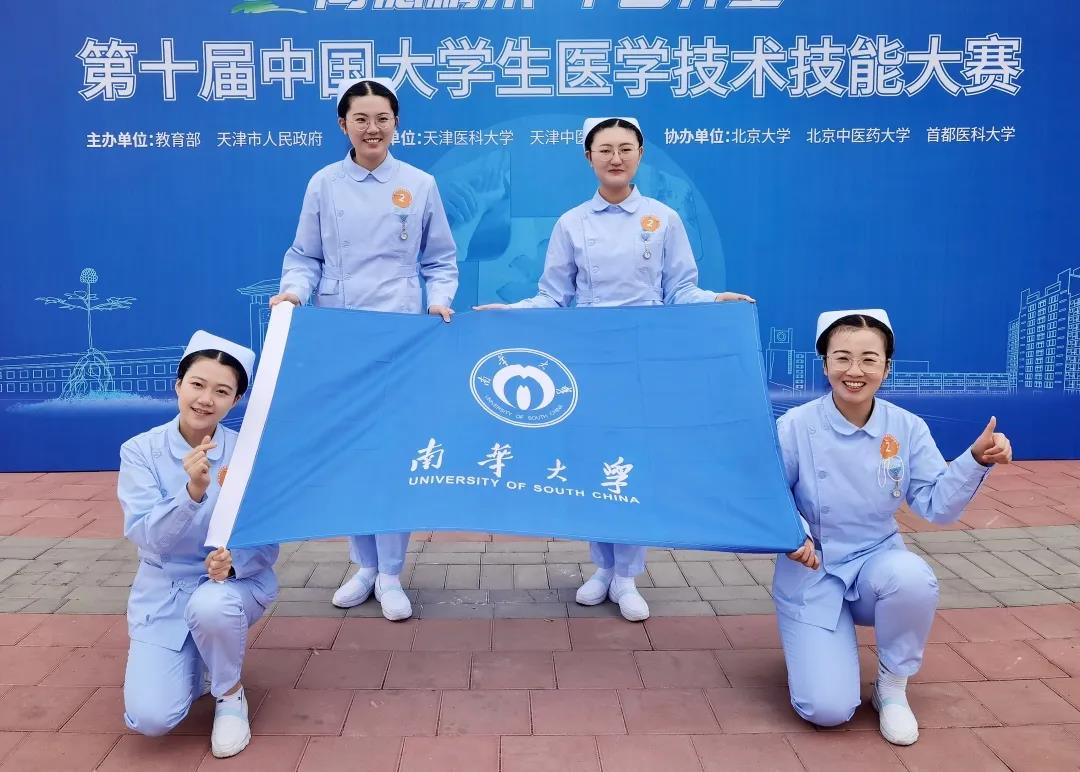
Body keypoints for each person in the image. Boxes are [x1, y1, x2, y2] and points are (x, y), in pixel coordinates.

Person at [475, 116, 753, 622]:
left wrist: (714, 300)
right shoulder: (572, 223)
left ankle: (627, 575)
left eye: (626, 148)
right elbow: (553, 297)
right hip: (589, 357)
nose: (616, 157)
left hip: (643, 357)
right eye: (605, 149)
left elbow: (681, 290)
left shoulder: (663, 219)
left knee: (633, 463)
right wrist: (510, 313)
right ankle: (602, 566)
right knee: (593, 461)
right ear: (589, 157)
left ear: (640, 154)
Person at [773, 309, 1013, 745]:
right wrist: (793, 532)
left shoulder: (906, 427)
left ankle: (892, 686)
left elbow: (937, 506)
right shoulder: (794, 426)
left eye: (869, 359)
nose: (855, 371)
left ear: (886, 367)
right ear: (824, 364)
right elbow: (772, 495)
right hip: (812, 568)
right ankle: (820, 645)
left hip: (876, 564)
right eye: (842, 358)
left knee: (912, 577)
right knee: (827, 710)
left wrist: (975, 460)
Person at [269, 77, 459, 621]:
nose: (372, 128)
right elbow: (304, 256)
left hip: (400, 331)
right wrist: (295, 291)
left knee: (394, 452)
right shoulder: (324, 184)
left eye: (382, 118)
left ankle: (392, 571)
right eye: (361, 119)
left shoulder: (419, 183)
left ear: (396, 123)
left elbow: (440, 260)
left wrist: (438, 301)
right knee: (352, 451)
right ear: (343, 124)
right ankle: (364, 566)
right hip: (342, 329)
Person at [118, 331, 278, 759]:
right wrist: (191, 493)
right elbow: (147, 536)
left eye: (222, 391)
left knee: (212, 605)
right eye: (197, 384)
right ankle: (199, 660)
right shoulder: (140, 452)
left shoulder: (248, 454)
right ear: (178, 385)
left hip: (230, 589)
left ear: (236, 400)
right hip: (164, 592)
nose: (206, 399)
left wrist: (234, 563)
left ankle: (229, 694)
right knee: (151, 718)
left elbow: (266, 541)